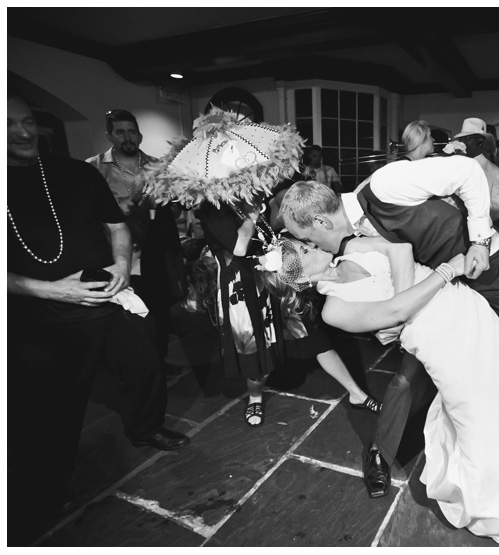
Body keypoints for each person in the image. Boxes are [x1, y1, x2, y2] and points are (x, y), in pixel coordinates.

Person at [259, 234, 499, 545]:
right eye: (304, 252)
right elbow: (396, 311)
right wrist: (444, 273)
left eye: (305, 242)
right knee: (482, 422)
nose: (313, 246)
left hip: (466, 308)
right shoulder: (335, 309)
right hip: (440, 342)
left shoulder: (353, 248)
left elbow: (401, 249)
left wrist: (412, 297)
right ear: (301, 278)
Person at [280, 161, 499, 498]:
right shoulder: (347, 243)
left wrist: (477, 242)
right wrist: (405, 315)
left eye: (305, 239)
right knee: (407, 379)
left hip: (486, 272)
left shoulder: (385, 184)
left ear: (320, 222)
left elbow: (468, 173)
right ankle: (382, 452)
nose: (311, 245)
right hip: (434, 300)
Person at [7, 92, 189, 544]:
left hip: (110, 296)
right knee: (53, 410)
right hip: (43, 316)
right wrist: (53, 289)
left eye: (27, 121)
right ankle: (45, 491)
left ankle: (147, 427)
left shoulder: (75, 172)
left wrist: (123, 265)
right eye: (9, 124)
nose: (23, 132)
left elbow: (115, 225)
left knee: (146, 359)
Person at [197, 198, 381, 426]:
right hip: (244, 294)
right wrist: (252, 216)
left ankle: (357, 394)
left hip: (275, 281)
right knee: (257, 361)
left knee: (314, 338)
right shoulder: (211, 209)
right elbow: (239, 247)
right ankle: (255, 397)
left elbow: (268, 234)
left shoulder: (240, 201)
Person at [87, 109, 184, 365]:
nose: (127, 137)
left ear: (139, 136)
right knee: (125, 316)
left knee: (159, 312)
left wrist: (172, 202)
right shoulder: (93, 168)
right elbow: (91, 216)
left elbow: (174, 212)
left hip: (156, 251)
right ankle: (132, 368)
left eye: (132, 132)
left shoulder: (157, 166)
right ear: (110, 135)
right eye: (120, 132)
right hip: (118, 255)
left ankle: (159, 361)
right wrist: (134, 199)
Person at [454, 117, 499, 221]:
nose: (462, 143)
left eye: (467, 138)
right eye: (461, 139)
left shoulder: (495, 172)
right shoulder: (455, 165)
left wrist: (472, 208)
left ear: (480, 142)